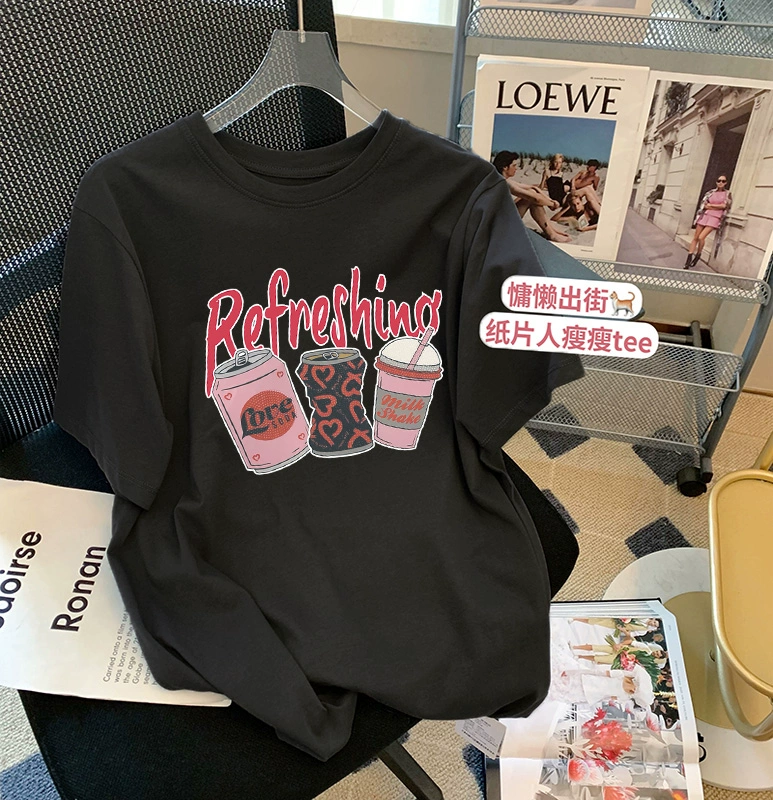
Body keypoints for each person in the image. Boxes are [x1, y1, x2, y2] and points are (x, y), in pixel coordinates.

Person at [492, 150, 571, 243]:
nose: (516, 168)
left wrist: (551, 201)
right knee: (530, 199)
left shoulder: (503, 180)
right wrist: (551, 204)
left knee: (531, 193)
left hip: (502, 218)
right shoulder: (505, 183)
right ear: (505, 167)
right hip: (501, 225)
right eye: (514, 165)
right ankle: (551, 234)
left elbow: (533, 187)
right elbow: (535, 198)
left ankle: (551, 230)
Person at [685, 175, 732, 269]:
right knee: (695, 237)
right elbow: (704, 205)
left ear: (726, 183)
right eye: (719, 180)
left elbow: (725, 206)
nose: (721, 183)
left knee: (701, 237)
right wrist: (715, 206)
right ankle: (688, 260)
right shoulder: (710, 192)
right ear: (716, 182)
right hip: (705, 215)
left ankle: (698, 254)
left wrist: (711, 205)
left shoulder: (727, 194)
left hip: (715, 217)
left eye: (723, 181)